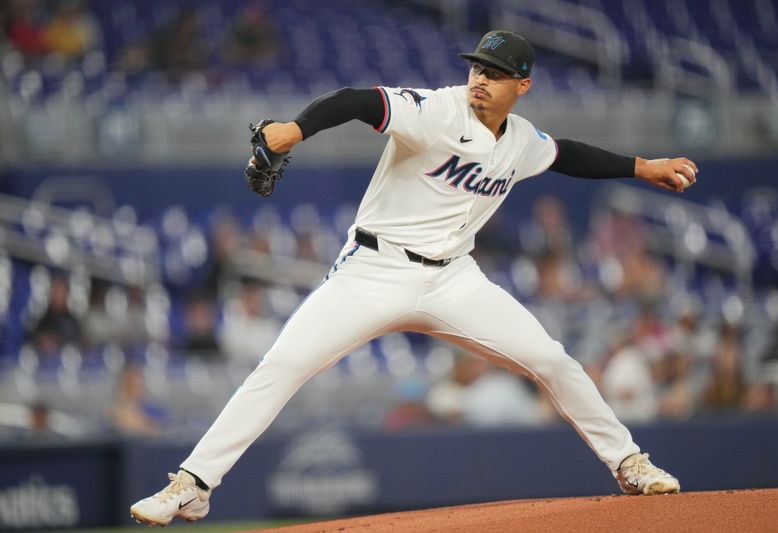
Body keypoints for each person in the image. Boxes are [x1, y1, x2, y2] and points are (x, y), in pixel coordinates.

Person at [131, 30, 694, 526]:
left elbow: (567, 153)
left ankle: (628, 463)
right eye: (477, 68)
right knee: (283, 365)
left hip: (454, 281)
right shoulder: (437, 110)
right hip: (375, 268)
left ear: (522, 85)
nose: (481, 80)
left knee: (552, 359)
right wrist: (294, 131)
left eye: (496, 74)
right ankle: (193, 485)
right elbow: (357, 101)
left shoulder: (520, 139)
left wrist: (644, 167)